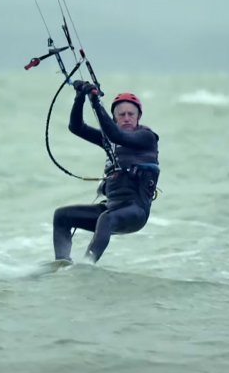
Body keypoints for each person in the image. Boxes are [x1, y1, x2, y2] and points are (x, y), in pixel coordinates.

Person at [51, 80, 160, 264]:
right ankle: (62, 264)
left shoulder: (146, 137)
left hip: (135, 210)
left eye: (130, 114)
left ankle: (87, 265)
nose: (126, 118)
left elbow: (117, 135)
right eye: (121, 114)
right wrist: (80, 97)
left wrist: (96, 102)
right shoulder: (109, 140)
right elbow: (76, 127)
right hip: (111, 207)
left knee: (106, 219)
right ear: (115, 118)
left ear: (138, 116)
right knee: (62, 216)